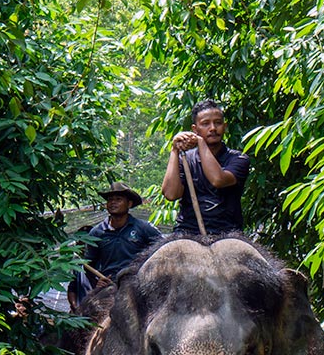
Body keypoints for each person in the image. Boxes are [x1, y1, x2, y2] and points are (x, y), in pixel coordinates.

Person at [160, 99, 251, 235]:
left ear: (225, 127)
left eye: (218, 123)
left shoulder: (239, 159)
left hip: (227, 233)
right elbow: (171, 194)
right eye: (205, 124)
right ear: (195, 129)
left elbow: (218, 180)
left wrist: (200, 142)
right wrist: (174, 150)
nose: (213, 128)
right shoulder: (185, 159)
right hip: (187, 231)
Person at [69, 182, 162, 309]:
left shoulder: (143, 228)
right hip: (109, 289)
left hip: (137, 288)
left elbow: (161, 251)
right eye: (110, 200)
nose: (113, 202)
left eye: (118, 199)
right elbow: (88, 265)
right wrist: (97, 282)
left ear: (129, 204)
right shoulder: (97, 232)